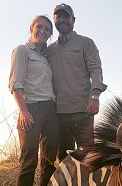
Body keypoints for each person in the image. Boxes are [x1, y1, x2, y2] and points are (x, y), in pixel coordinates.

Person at [8, 15, 59, 186]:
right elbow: (15, 83)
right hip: (32, 109)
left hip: (51, 110)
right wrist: (24, 111)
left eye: (48, 29)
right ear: (31, 28)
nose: (44, 31)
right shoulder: (22, 51)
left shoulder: (46, 57)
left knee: (48, 158)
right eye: (40, 27)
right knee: (28, 158)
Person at [47, 3, 107, 162]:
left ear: (73, 20)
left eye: (66, 16)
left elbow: (96, 70)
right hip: (58, 113)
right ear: (54, 20)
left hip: (82, 111)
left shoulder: (86, 42)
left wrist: (94, 98)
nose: (62, 20)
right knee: (63, 158)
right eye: (58, 16)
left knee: (88, 157)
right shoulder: (49, 49)